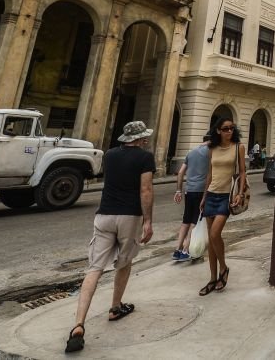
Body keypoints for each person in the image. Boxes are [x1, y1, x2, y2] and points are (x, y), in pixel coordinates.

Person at [65, 121, 155, 354]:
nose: (146, 140)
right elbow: (145, 190)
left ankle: (78, 324)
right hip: (129, 216)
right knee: (124, 263)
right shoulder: (145, 158)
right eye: (144, 137)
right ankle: (115, 307)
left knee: (94, 268)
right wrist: (148, 221)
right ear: (139, 139)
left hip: (104, 215)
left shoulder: (111, 155)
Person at [197, 118, 247, 296]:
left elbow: (242, 172)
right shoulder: (212, 149)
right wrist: (204, 196)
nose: (229, 131)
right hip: (211, 194)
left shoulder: (238, 147)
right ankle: (212, 278)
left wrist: (240, 193)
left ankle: (224, 268)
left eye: (231, 128)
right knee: (211, 242)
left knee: (214, 234)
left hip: (226, 196)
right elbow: (210, 173)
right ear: (218, 131)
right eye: (225, 129)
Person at [172, 134, 210, 261]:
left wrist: (178, 190)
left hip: (189, 190)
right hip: (201, 191)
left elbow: (181, 172)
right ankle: (186, 250)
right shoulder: (210, 153)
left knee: (185, 220)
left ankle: (177, 250)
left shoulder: (191, 152)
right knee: (195, 221)